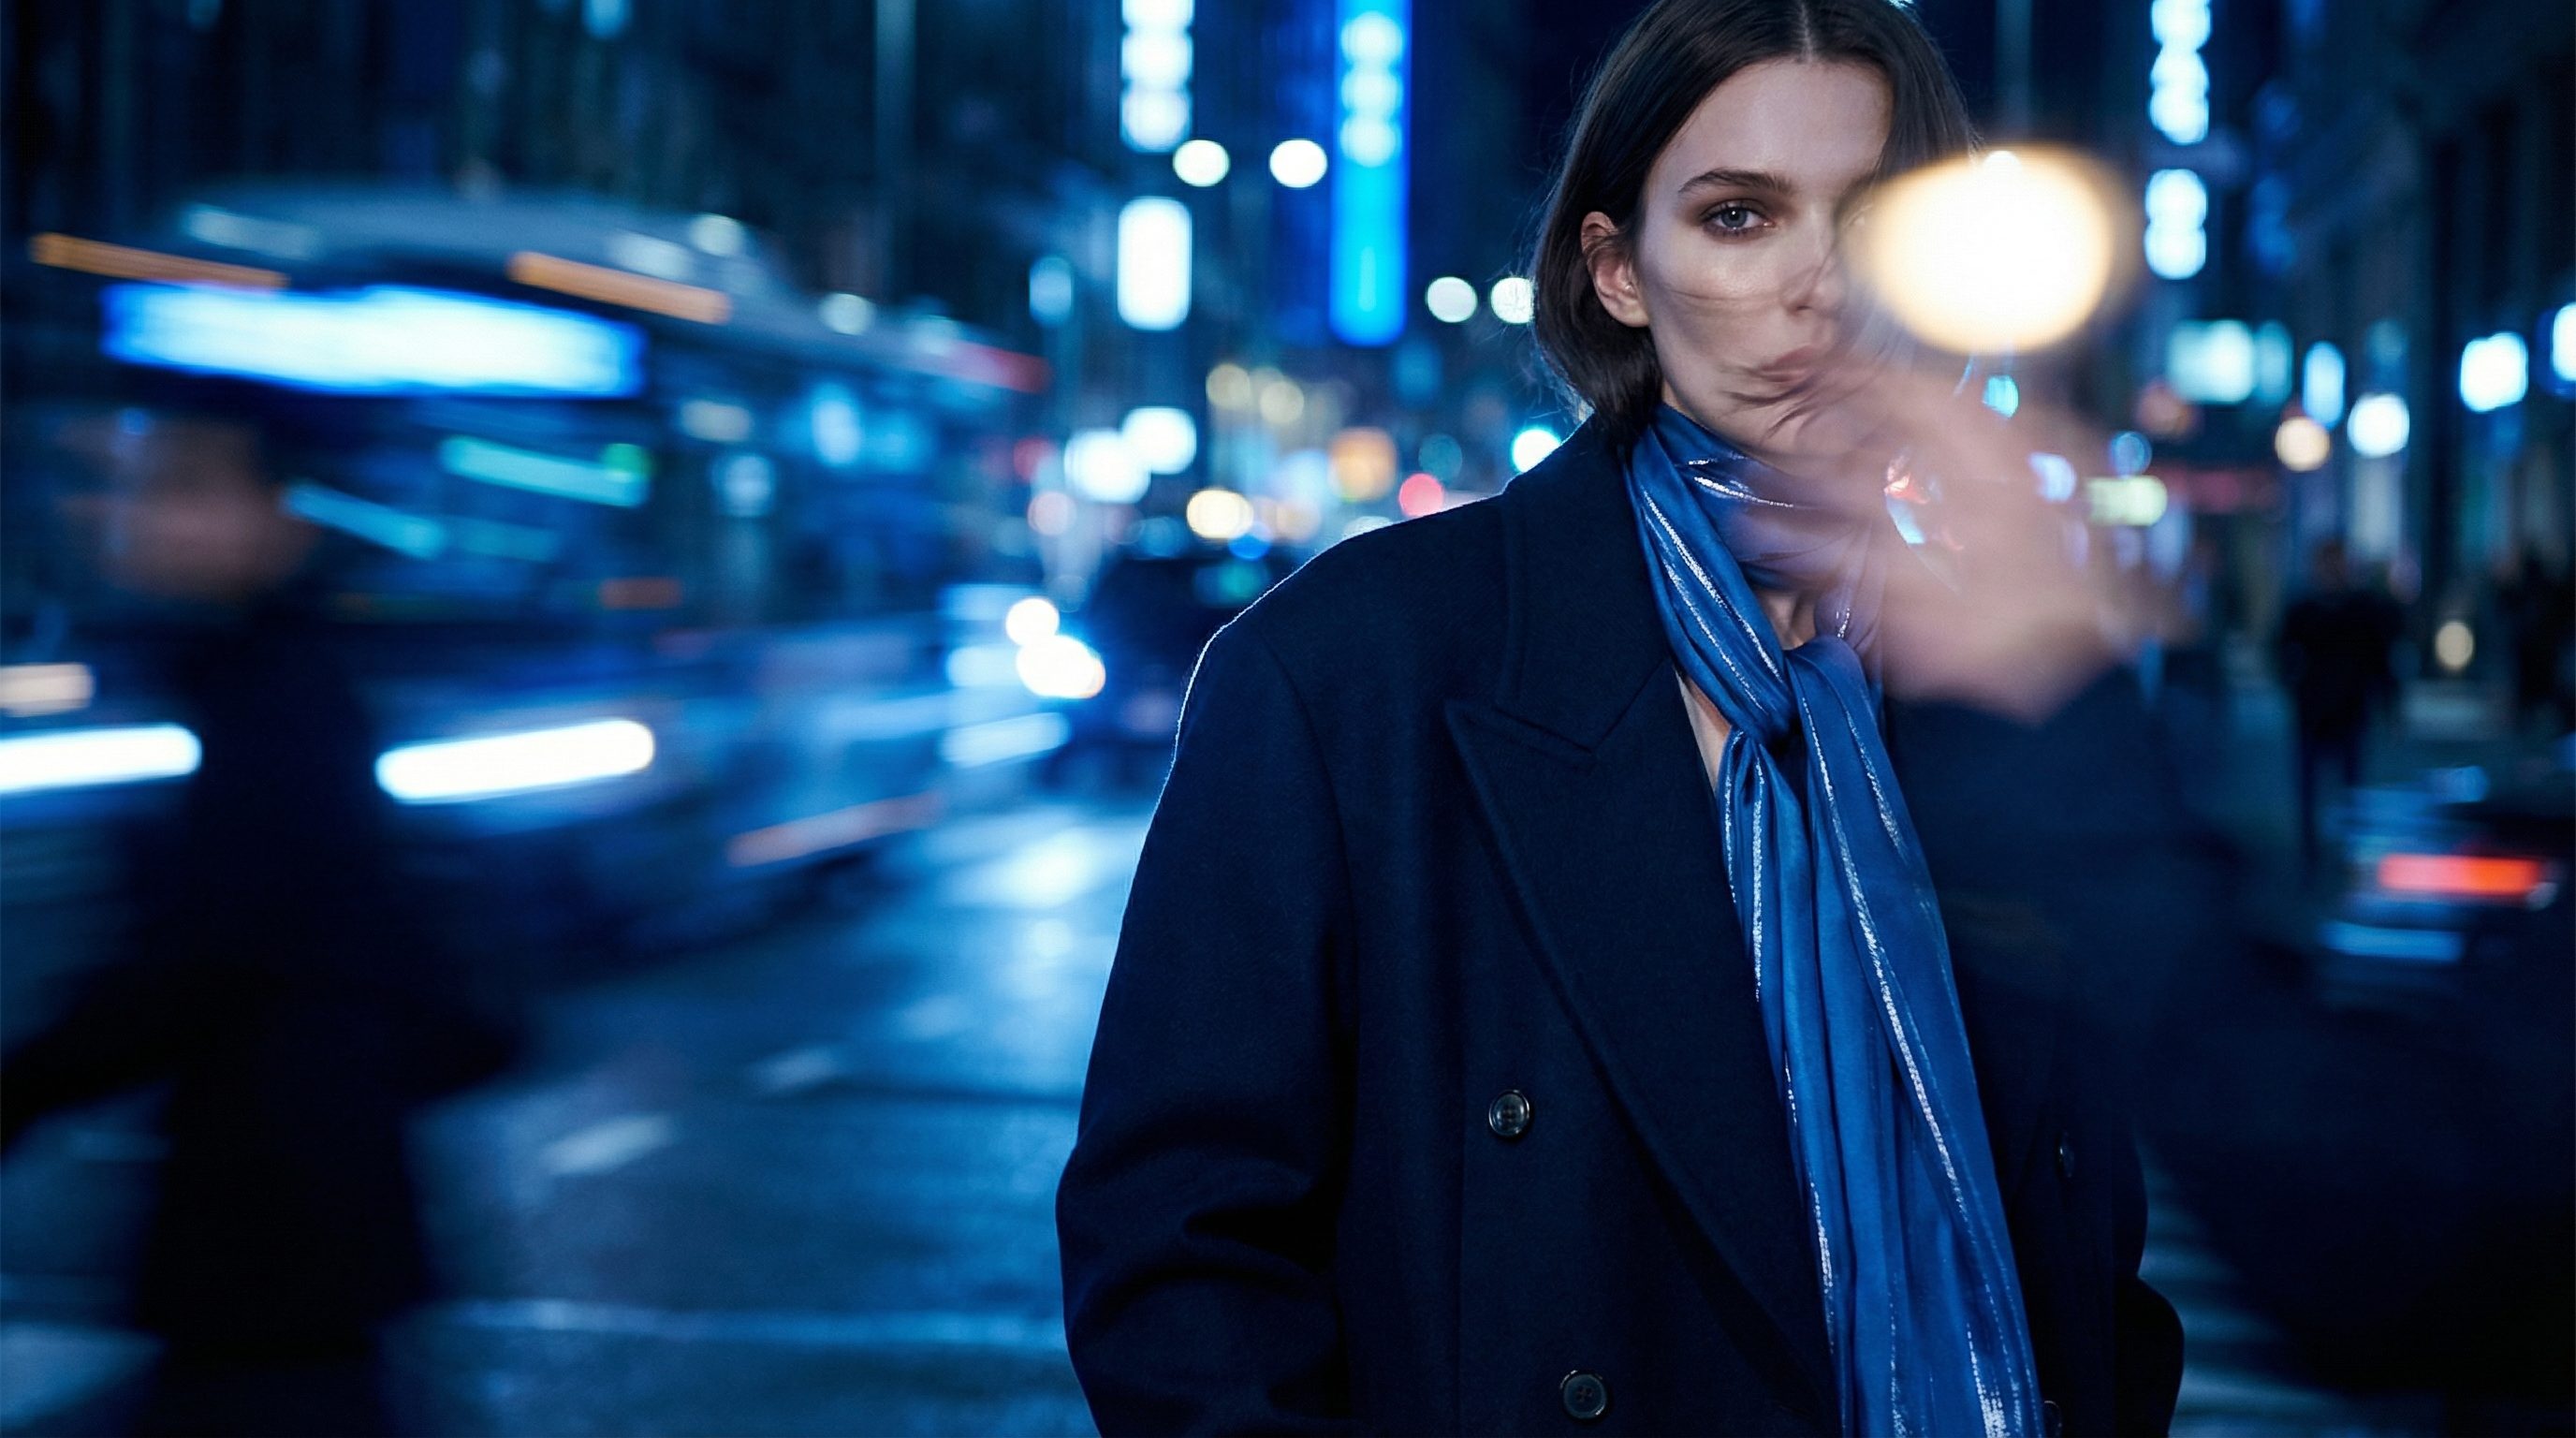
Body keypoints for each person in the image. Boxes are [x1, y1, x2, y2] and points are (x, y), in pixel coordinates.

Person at [1057, 1, 2194, 1432]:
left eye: (1875, 222)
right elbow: (1179, 1260)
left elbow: (2087, 1233)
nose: (1820, 287)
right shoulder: (1357, 665)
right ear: (1618, 271)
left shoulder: (2005, 681)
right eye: (1739, 217)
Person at [2274, 537, 2401, 870]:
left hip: (2348, 708)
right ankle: (2311, 851)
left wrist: (2389, 702)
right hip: (2314, 709)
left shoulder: (2361, 609)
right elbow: (2280, 651)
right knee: (2312, 786)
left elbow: (2380, 658)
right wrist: (2293, 685)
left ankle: (2347, 849)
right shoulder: (2305, 609)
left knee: (2350, 784)